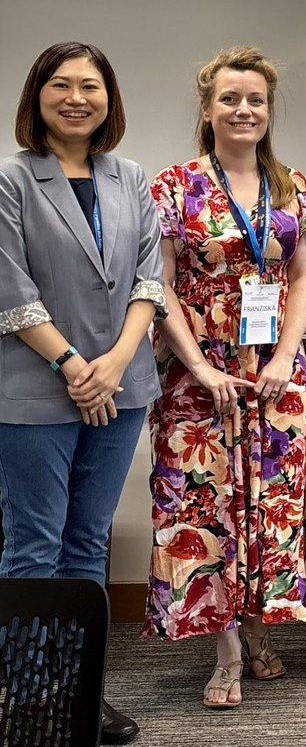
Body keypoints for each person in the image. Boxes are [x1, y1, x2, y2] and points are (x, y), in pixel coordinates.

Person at [0, 42, 165, 744]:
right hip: (34, 390)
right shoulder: (11, 179)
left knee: (88, 540)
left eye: (90, 86)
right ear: (36, 96)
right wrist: (73, 365)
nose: (76, 98)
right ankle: (26, 697)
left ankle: (78, 694)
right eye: (60, 85)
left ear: (109, 98)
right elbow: (10, 289)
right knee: (34, 543)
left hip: (120, 388)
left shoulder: (130, 177)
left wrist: (114, 363)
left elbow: (149, 280)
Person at [143, 47, 306, 708]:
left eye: (256, 100)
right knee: (204, 504)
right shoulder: (174, 186)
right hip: (197, 373)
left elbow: (303, 275)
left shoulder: (292, 184)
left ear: (268, 110)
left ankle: (259, 628)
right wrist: (198, 366)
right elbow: (158, 285)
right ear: (208, 107)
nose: (244, 110)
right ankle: (227, 652)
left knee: (271, 503)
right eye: (230, 99)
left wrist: (282, 357)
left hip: (275, 373)